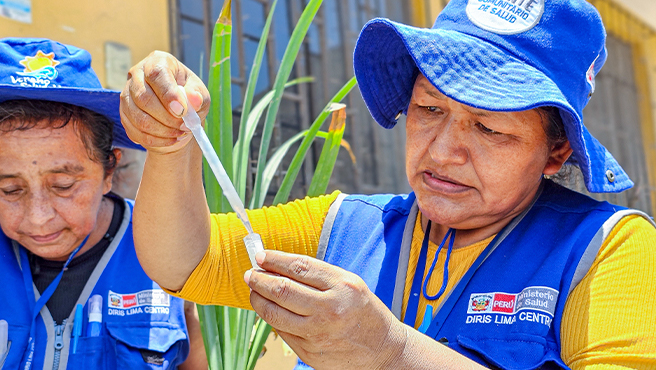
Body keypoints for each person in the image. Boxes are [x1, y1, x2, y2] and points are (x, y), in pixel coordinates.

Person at [120, 0, 656, 369]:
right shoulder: (345, 227)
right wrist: (170, 145)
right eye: (428, 108)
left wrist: (390, 353)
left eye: (490, 127)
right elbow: (185, 262)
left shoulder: (607, 251)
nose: (443, 150)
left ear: (556, 150)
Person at [0, 38, 206, 369]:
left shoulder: (174, 254)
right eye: (10, 189)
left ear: (109, 168)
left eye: (63, 185)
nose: (37, 218)